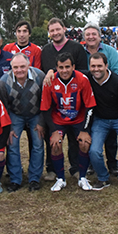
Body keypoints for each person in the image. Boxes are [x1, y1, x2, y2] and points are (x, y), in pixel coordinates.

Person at [40, 17, 88, 180]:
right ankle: (52, 169)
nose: (55, 33)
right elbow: (43, 73)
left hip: (74, 100)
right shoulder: (45, 50)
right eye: (52, 30)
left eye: (57, 29)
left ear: (64, 29)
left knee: (76, 140)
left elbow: (83, 71)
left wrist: (55, 70)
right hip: (54, 102)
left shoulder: (76, 48)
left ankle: (75, 168)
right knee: (52, 137)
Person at [40, 52, 96, 191]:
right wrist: (53, 131)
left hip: (78, 119)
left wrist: (84, 129)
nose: (64, 70)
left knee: (84, 143)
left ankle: (82, 177)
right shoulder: (50, 81)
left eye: (67, 67)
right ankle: (60, 179)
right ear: (56, 68)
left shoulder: (82, 79)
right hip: (58, 120)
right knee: (55, 144)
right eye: (61, 67)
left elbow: (90, 106)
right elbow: (45, 109)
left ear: (73, 67)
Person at [86, 53, 118, 191]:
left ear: (106, 66)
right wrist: (50, 72)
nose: (96, 69)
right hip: (100, 120)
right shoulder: (87, 78)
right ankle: (103, 178)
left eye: (99, 66)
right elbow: (67, 72)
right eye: (93, 66)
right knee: (94, 151)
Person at [0, 52, 46, 192]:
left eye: (22, 66)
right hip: (15, 115)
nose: (19, 70)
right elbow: (3, 106)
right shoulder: (3, 81)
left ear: (28, 65)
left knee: (38, 144)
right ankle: (15, 179)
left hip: (35, 113)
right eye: (16, 67)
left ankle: (34, 179)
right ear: (11, 67)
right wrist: (8, 128)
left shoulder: (39, 76)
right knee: (12, 143)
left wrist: (41, 122)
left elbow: (45, 100)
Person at [83, 22, 118, 176]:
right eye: (88, 34)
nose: (91, 37)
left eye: (94, 34)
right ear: (84, 38)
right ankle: (92, 164)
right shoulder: (81, 53)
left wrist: (107, 89)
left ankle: (112, 164)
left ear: (100, 36)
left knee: (111, 136)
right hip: (88, 99)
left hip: (109, 98)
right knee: (90, 132)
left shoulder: (110, 52)